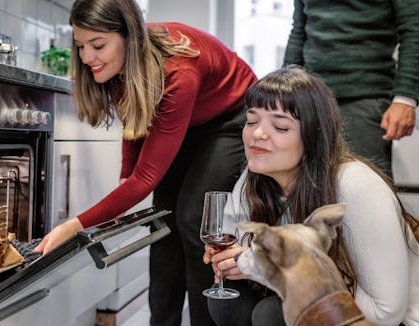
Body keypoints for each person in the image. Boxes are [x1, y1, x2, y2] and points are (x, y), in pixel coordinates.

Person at [33, 0, 257, 325]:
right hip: (188, 117)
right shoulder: (121, 64)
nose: (86, 58)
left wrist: (74, 225)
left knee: (194, 217)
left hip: (229, 115)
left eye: (98, 45)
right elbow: (135, 119)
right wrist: (126, 175)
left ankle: (205, 320)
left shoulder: (178, 72)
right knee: (163, 219)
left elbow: (147, 178)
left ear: (130, 37)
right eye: (81, 46)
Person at [203, 66, 419, 326]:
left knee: (272, 314)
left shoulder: (355, 186)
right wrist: (235, 262)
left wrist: (268, 266)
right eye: (251, 121)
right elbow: (242, 251)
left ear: (313, 138)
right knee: (229, 300)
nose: (257, 134)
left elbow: (386, 313)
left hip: (390, 321)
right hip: (322, 301)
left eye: (280, 127)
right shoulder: (255, 178)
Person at [283, 0, 419, 177]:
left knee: (367, 186)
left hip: (365, 96)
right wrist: (284, 89)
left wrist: (405, 98)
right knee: (310, 186)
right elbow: (299, 30)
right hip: (309, 97)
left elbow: (414, 30)